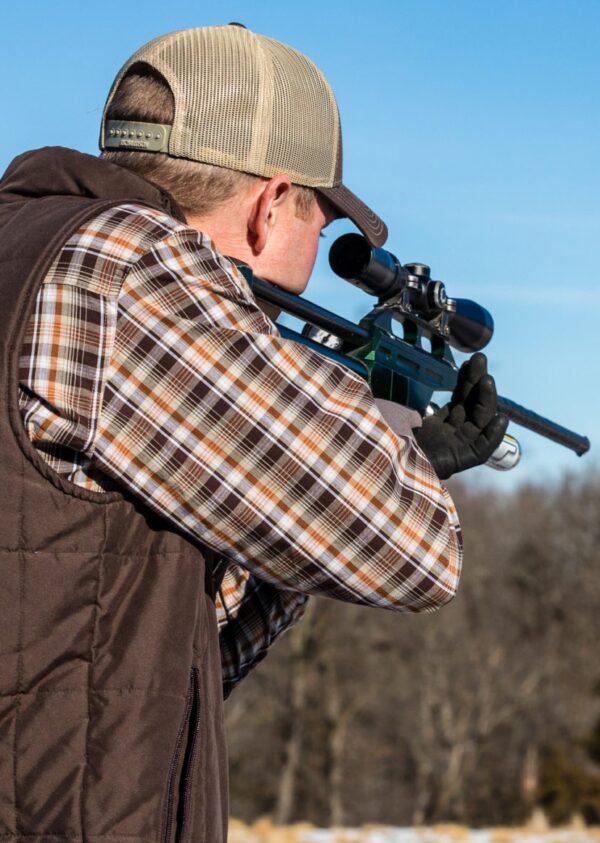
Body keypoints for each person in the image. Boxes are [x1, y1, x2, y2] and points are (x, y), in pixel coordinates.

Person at [0, 23, 506, 843]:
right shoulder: (128, 265)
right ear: (272, 207)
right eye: (321, 225)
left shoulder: (25, 246)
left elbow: (167, 657)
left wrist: (387, 437)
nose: (311, 265)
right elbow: (413, 550)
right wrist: (386, 437)